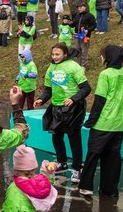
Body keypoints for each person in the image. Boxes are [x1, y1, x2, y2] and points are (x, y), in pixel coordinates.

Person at [33, 43, 91, 182]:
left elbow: (86, 88)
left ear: (65, 54)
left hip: (73, 108)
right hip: (57, 108)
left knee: (74, 139)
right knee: (56, 136)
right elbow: (48, 90)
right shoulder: (51, 68)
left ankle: (77, 168)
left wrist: (73, 98)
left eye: (57, 54)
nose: (54, 57)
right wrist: (41, 99)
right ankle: (62, 163)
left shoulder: (73, 66)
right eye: (53, 54)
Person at [79, 44, 123, 196]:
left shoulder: (106, 74)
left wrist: (90, 121)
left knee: (93, 155)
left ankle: (86, 186)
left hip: (103, 123)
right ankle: (109, 189)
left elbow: (100, 100)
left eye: (103, 55)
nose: (101, 57)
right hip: (118, 123)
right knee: (113, 158)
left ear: (109, 57)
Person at [71, 2, 96, 67]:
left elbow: (94, 25)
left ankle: (84, 65)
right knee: (77, 50)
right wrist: (69, 23)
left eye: (80, 7)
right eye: (78, 8)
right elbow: (73, 24)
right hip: (77, 36)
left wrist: (88, 30)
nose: (79, 9)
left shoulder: (89, 15)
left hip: (85, 37)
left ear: (85, 7)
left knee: (84, 50)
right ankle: (78, 64)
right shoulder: (77, 15)